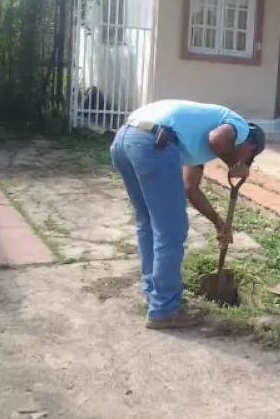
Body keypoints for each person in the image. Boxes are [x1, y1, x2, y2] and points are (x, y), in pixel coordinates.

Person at [110, 99, 266, 330]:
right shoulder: (238, 125)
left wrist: (218, 222)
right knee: (171, 230)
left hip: (125, 140)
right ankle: (164, 310)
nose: (243, 161)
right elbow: (218, 140)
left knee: (149, 223)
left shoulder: (197, 140)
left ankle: (154, 295)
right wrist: (236, 164)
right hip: (153, 141)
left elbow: (190, 187)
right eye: (247, 158)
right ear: (250, 145)